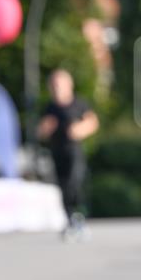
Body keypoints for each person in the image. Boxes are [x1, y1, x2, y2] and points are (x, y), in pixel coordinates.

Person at [36, 69, 99, 239]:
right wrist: (45, 129)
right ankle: (70, 220)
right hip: (57, 152)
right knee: (62, 187)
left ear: (68, 85)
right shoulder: (50, 107)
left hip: (74, 152)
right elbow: (40, 132)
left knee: (74, 183)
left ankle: (80, 218)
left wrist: (80, 129)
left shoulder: (79, 103)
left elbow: (93, 122)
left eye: (59, 84)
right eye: (53, 85)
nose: (56, 88)